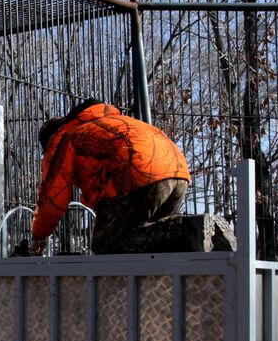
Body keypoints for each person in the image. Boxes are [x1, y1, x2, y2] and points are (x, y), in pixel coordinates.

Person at [29, 101, 191, 255]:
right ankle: (197, 231)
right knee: (155, 246)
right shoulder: (109, 122)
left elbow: (52, 196)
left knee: (106, 244)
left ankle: (184, 228)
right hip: (178, 171)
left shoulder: (64, 138)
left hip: (136, 172)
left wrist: (38, 236)